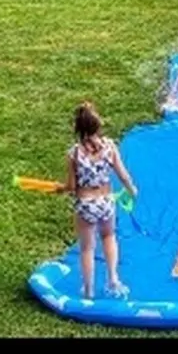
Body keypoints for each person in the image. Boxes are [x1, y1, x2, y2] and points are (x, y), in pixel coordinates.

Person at [64, 103, 138, 301]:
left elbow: (71, 186)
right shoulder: (110, 147)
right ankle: (113, 278)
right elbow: (123, 175)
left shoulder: (74, 154)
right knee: (109, 237)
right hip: (106, 201)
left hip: (86, 204)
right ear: (98, 126)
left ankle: (88, 290)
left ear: (78, 129)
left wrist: (60, 187)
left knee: (87, 248)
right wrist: (132, 190)